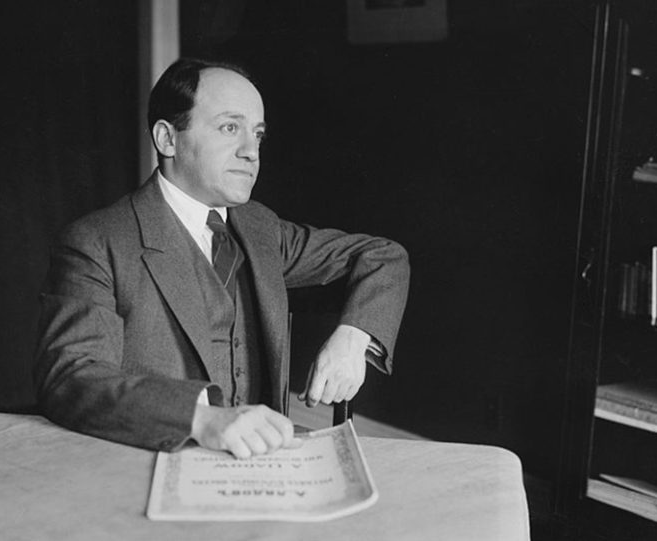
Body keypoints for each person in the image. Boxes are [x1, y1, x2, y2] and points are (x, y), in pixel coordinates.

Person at [34, 58, 409, 459]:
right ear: (167, 139)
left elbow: (382, 256)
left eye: (258, 135)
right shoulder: (98, 242)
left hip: (263, 468)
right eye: (230, 128)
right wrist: (203, 420)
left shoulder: (261, 228)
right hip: (150, 468)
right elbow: (70, 378)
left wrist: (354, 338)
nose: (251, 152)